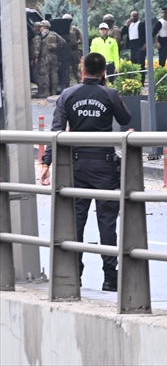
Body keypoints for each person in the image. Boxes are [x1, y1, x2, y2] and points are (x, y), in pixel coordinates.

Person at [38, 52, 131, 291]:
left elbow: (56, 131)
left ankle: (74, 276)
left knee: (76, 221)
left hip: (76, 166)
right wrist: (109, 91)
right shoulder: (108, 93)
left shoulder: (68, 95)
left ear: (82, 71)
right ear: (103, 72)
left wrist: (46, 162)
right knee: (107, 222)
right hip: (104, 164)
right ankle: (111, 278)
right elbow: (125, 117)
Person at [120, 10, 146, 85]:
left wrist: (145, 44)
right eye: (132, 16)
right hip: (132, 46)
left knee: (141, 64)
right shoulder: (130, 25)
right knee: (133, 64)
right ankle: (135, 80)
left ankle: (142, 81)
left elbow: (145, 34)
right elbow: (122, 32)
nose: (133, 17)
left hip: (140, 46)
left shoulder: (141, 24)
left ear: (138, 16)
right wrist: (126, 24)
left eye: (135, 16)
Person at [42, 21, 66, 97]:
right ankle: (54, 91)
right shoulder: (54, 34)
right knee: (54, 74)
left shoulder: (42, 35)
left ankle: (47, 91)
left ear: (45, 27)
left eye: (42, 26)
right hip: (53, 56)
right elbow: (62, 42)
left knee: (46, 74)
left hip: (46, 57)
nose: (41, 28)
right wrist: (57, 48)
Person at [64, 14, 83, 86]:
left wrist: (76, 43)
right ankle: (66, 85)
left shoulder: (74, 29)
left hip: (74, 51)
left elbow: (82, 39)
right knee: (66, 69)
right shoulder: (62, 29)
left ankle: (80, 83)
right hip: (66, 52)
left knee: (75, 69)